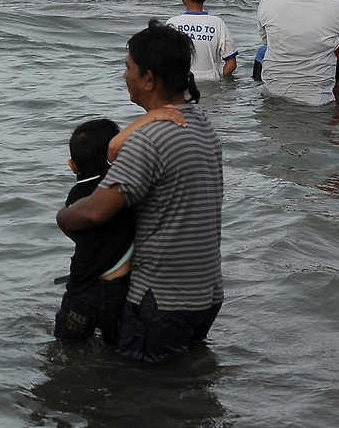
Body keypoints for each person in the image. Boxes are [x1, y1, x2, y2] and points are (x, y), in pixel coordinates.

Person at [57, 24, 224, 363]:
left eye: (128, 68)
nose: (124, 75)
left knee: (139, 398)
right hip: (206, 291)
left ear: (149, 80)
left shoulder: (150, 141)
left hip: (162, 298)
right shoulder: (201, 122)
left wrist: (62, 216)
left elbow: (94, 212)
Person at [54, 118, 134, 345]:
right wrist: (155, 116)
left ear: (73, 165)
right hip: (120, 293)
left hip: (81, 290)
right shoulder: (123, 188)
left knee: (67, 347)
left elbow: (74, 233)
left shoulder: (75, 197)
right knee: (117, 354)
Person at [166, 0, 238, 81]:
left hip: (181, 84)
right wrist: (217, 76)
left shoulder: (172, 23)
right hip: (211, 84)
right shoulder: (217, 23)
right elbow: (232, 63)